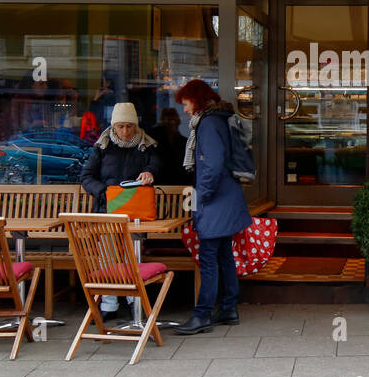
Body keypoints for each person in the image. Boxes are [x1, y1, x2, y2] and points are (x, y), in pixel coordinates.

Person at [172, 78, 252, 335]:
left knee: (208, 257)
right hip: (227, 197)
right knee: (223, 255)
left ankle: (202, 314)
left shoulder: (207, 125)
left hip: (215, 201)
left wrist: (201, 197)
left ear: (196, 100)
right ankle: (228, 308)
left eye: (186, 104)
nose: (184, 110)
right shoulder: (220, 119)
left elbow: (212, 166)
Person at [78, 102, 160, 317]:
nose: (125, 131)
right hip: (107, 210)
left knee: (133, 255)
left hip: (135, 212)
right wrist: (105, 193)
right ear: (113, 126)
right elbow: (86, 177)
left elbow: (156, 166)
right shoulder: (102, 147)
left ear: (136, 126)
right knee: (107, 256)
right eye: (120, 126)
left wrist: (149, 173)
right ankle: (109, 304)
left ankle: (134, 301)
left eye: (129, 126)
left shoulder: (147, 146)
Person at [146, 106, 190, 185]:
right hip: (178, 182)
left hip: (159, 182)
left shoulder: (152, 137)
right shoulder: (183, 141)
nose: (172, 124)